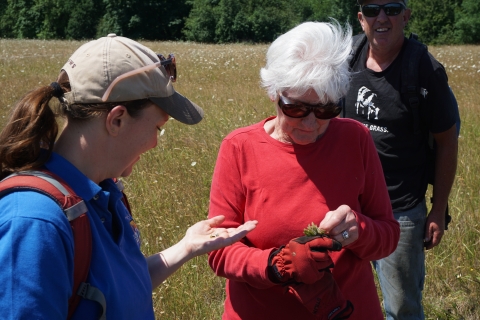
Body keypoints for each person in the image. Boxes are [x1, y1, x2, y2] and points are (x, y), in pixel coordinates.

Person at [0, 34, 257, 319]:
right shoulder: (35, 223)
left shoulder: (103, 195)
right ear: (117, 119)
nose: (155, 144)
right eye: (157, 128)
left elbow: (121, 287)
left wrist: (187, 247)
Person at [207, 21, 400, 320]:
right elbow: (218, 251)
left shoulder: (355, 139)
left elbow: (388, 236)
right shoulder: (239, 147)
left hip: (347, 310)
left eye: (325, 110)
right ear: (274, 93)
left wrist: (357, 230)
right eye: (296, 109)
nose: (310, 123)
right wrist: (276, 264)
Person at [343, 1, 459, 319]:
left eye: (392, 8)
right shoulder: (345, 58)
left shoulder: (423, 69)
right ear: (360, 18)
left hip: (401, 210)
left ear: (405, 16)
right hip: (348, 207)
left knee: (401, 307)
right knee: (343, 299)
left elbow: (447, 141)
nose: (381, 17)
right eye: (371, 9)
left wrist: (437, 209)